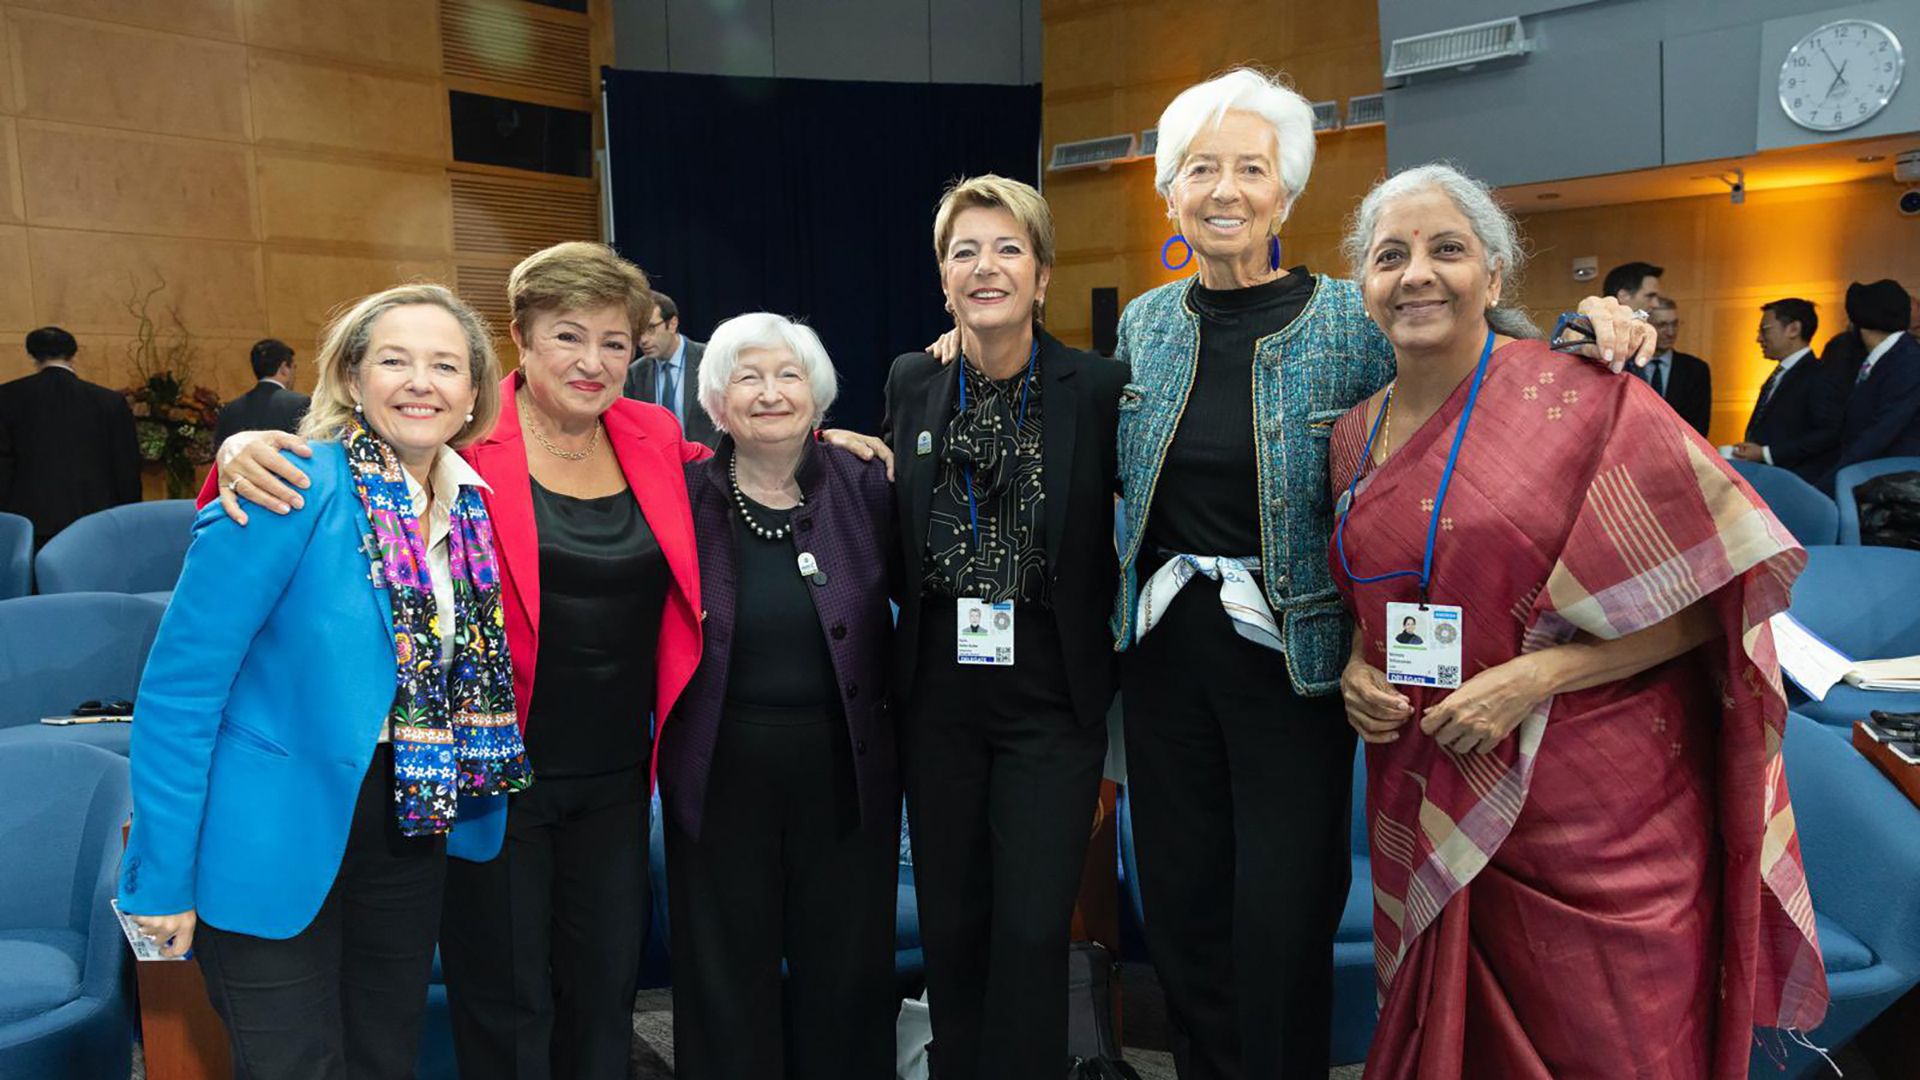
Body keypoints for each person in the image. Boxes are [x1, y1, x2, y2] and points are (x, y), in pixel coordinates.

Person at [206, 246, 892, 1080]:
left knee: (603, 999)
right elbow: (331, 466)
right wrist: (239, 446)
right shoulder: (463, 428)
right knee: (510, 1003)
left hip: (616, 776)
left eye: (614, 343)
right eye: (569, 336)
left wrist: (825, 436)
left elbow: (762, 455)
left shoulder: (653, 434)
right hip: (495, 776)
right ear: (520, 337)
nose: (593, 362)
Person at [1109, 68, 1654, 1080]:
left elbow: (1481, 380)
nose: (1224, 189)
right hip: (1160, 657)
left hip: (1300, 664)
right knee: (1180, 910)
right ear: (1170, 195)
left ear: (1285, 194)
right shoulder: (1144, 323)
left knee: (1277, 919)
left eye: (1250, 169)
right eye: (1200, 170)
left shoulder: (1348, 316)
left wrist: (1586, 330)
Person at [1328, 162, 1826, 1079]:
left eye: (1448, 249)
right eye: (1390, 256)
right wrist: (1360, 667)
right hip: (1426, 765)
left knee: (1613, 1044)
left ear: (1495, 274)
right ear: (1364, 285)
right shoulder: (1353, 435)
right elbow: (1379, 586)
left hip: (1594, 807)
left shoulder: (1585, 394)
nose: (1417, 274)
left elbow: (1715, 590)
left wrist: (1538, 676)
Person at [117, 284, 529, 1079]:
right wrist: (160, 876)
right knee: (295, 1065)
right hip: (266, 827)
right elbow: (179, 695)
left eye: (446, 365)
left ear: (474, 392)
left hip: (409, 815)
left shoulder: (471, 505)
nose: (422, 382)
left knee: (383, 1055)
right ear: (349, 377)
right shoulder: (290, 483)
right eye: (395, 360)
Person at [885, 174, 1126, 1079]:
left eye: (1008, 248)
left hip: (1048, 692)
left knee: (1030, 925)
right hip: (939, 690)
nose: (986, 266)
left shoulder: (1097, 386)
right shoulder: (913, 380)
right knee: (952, 920)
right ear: (943, 281)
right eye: (964, 251)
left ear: (1044, 273)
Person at [661, 312, 897, 1079]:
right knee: (723, 971)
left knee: (847, 970)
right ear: (717, 404)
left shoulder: (869, 484)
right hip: (718, 767)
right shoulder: (679, 493)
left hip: (845, 770)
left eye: (788, 376)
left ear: (818, 397)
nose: (770, 393)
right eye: (747, 377)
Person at [0, 326, 140, 547]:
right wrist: (130, 520)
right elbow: (126, 466)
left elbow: (4, 464)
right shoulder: (109, 401)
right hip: (96, 518)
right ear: (73, 353)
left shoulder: (7, 397)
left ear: (32, 355)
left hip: (30, 520)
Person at [1730, 298, 1844, 485]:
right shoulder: (1780, 374)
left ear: (1793, 329)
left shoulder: (1819, 375)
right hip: (1767, 479)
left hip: (1796, 483)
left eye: (1765, 330)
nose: (1759, 338)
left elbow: (1828, 433)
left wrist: (1766, 453)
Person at [1821, 278, 1920, 492]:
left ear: (1861, 322)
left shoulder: (1908, 362)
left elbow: (1879, 434)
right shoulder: (1890, 357)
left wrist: (1828, 483)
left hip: (1895, 489)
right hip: (1877, 479)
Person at [625, 290, 719, 446]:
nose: (643, 340)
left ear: (672, 324)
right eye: (638, 331)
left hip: (707, 463)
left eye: (650, 328)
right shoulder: (635, 373)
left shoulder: (709, 359)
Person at [215, 338, 310, 445]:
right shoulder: (300, 403)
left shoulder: (229, 410)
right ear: (283, 368)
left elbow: (221, 454)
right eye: (294, 367)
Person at [1645, 298, 1713, 437]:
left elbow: (1698, 428)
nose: (1670, 332)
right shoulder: (1627, 367)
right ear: (1646, 326)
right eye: (1662, 325)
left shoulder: (1696, 370)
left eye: (1674, 324)